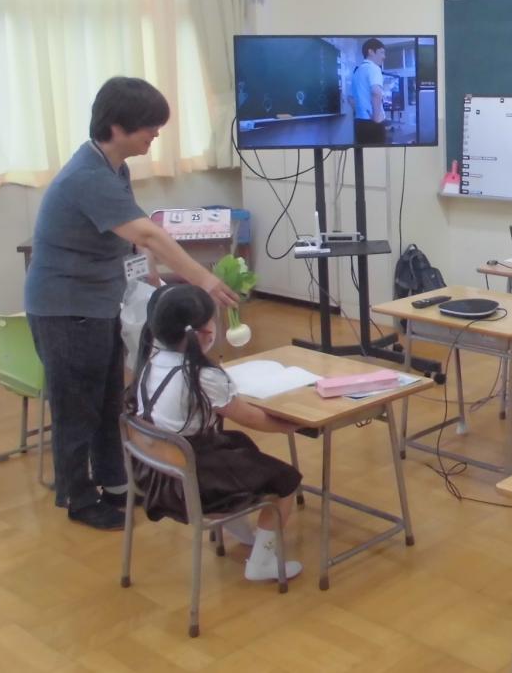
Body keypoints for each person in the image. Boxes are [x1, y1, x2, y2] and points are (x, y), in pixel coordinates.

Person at [24, 76, 240, 530]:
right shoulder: (87, 177)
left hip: (98, 302)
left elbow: (132, 235)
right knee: (76, 406)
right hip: (66, 308)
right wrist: (203, 277)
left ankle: (116, 483)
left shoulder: (112, 168)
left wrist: (150, 271)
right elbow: (148, 232)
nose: (156, 134)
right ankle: (78, 497)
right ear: (117, 126)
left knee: (108, 400)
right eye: (149, 126)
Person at [130, 284, 303, 581]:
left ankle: (239, 527)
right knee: (287, 480)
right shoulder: (202, 376)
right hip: (191, 485)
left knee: (237, 443)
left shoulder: (152, 360)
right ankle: (261, 563)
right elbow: (251, 418)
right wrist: (296, 424)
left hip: (155, 474)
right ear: (203, 333)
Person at [350, 37, 388, 144]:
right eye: (381, 52)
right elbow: (376, 92)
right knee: (377, 154)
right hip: (373, 123)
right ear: (370, 52)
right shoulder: (373, 68)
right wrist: (376, 118)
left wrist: (360, 111)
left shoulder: (356, 72)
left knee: (362, 152)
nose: (384, 57)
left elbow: (350, 98)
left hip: (359, 123)